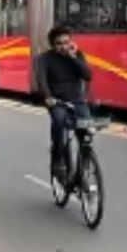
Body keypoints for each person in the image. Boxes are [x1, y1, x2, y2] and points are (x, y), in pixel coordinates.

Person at [37, 26, 92, 176]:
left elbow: (87, 76)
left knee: (86, 129)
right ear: (52, 45)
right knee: (59, 120)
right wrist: (48, 97)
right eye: (59, 43)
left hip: (77, 100)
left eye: (66, 42)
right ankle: (58, 158)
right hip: (57, 101)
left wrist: (74, 57)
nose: (63, 46)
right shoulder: (45, 59)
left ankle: (86, 162)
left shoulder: (77, 55)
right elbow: (41, 80)